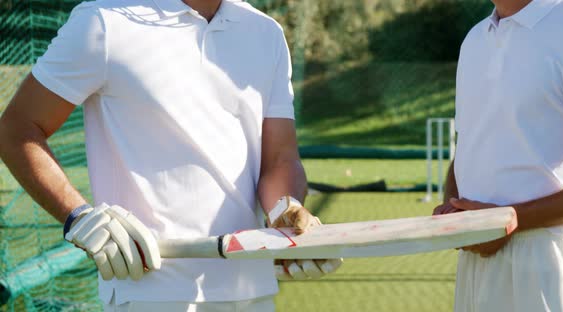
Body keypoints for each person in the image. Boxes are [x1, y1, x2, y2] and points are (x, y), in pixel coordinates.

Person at [0, 0, 342, 311]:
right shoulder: (102, 22)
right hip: (149, 293)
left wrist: (285, 210)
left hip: (252, 290)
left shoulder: (265, 32)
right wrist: (79, 216)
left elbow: (280, 158)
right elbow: (16, 130)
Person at [432, 0, 563, 311]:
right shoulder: (475, 39)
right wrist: (454, 209)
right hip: (476, 264)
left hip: (551, 261)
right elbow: (470, 144)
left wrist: (512, 220)